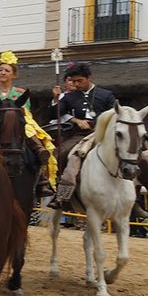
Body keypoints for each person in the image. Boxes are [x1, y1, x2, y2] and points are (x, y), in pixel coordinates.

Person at [0, 50, 56, 194]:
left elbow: (25, 113)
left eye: (6, 70)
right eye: (0, 70)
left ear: (13, 74)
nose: (2, 73)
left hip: (17, 125)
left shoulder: (20, 93)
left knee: (31, 132)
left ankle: (41, 176)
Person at [50, 62, 119, 206]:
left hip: (104, 135)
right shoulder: (69, 97)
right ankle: (60, 194)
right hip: (79, 137)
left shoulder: (106, 95)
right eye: (73, 81)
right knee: (58, 155)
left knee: (135, 153)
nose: (76, 84)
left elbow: (116, 114)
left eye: (79, 81)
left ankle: (137, 194)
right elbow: (55, 114)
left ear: (89, 78)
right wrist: (57, 100)